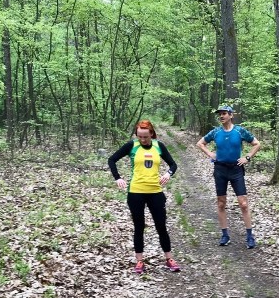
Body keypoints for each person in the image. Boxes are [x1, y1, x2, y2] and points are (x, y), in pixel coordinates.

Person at [108, 120, 180, 274]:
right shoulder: (131, 146)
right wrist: (117, 178)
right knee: (139, 227)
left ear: (152, 134)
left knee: (161, 226)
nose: (142, 139)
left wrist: (168, 173)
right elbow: (112, 159)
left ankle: (169, 259)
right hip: (136, 192)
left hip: (155, 192)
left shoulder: (158, 146)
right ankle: (139, 261)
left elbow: (173, 165)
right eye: (139, 136)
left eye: (145, 137)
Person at [196, 105, 261, 248]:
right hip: (220, 169)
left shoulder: (239, 131)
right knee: (221, 202)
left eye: (224, 113)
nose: (221, 116)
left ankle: (250, 236)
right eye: (220, 114)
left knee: (243, 203)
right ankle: (225, 235)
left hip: (236, 169)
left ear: (231, 115)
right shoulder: (216, 132)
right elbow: (200, 143)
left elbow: (256, 143)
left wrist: (247, 157)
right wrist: (210, 154)